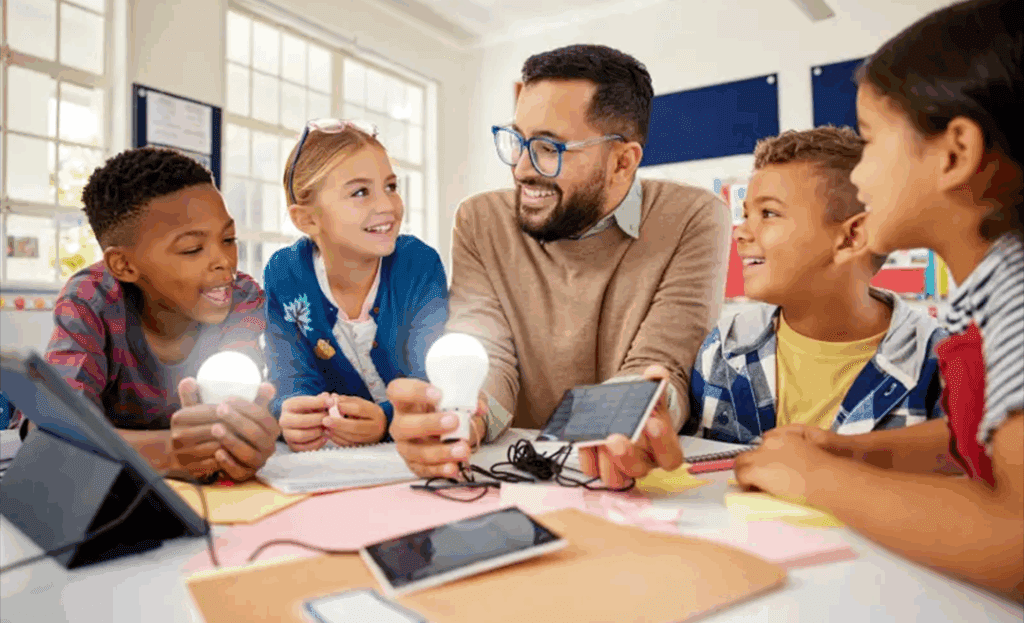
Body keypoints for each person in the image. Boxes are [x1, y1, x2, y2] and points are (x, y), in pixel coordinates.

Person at [735, 0, 1023, 601]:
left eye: (869, 143)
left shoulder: (1018, 299)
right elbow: (972, 442)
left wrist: (819, 477)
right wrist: (849, 449)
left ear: (954, 154)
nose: (860, 179)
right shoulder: (986, 294)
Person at [387, 44, 731, 487]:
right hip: (513, 479)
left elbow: (663, 361)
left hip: (639, 484)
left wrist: (630, 418)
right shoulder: (479, 220)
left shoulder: (695, 216)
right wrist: (465, 416)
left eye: (549, 147)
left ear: (622, 162)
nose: (522, 169)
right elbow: (487, 353)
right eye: (518, 140)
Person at [8, 147, 279, 482]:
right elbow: (54, 432)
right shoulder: (92, 298)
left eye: (229, 238)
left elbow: (238, 416)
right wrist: (171, 452)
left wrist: (247, 435)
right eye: (192, 248)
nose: (224, 260)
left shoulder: (243, 298)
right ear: (124, 265)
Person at [687, 127, 947, 443]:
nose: (741, 233)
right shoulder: (722, 350)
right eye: (745, 214)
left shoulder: (940, 367)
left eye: (768, 213)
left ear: (851, 237)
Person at [265, 121, 447, 451]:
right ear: (307, 220)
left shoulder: (418, 265)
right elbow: (288, 378)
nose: (388, 206)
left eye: (391, 186)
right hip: (333, 462)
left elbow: (434, 379)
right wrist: (292, 414)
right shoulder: (284, 274)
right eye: (360, 192)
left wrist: (387, 420)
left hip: (414, 454)